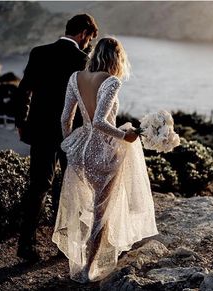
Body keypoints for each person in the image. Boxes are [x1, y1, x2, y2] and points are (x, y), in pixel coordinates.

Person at [52, 37, 158, 283]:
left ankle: (82, 258)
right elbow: (101, 121)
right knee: (101, 211)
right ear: (116, 58)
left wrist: (70, 143)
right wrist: (126, 136)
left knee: (85, 205)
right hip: (103, 153)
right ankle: (89, 266)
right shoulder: (111, 81)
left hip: (79, 152)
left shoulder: (75, 77)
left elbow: (64, 118)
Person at [15, 14, 98, 262]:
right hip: (70, 133)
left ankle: (26, 245)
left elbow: (24, 90)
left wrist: (22, 122)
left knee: (38, 186)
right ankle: (63, 245)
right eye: (89, 38)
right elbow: (86, 103)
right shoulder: (83, 60)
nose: (88, 43)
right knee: (68, 187)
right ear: (84, 33)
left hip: (40, 130)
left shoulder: (38, 52)